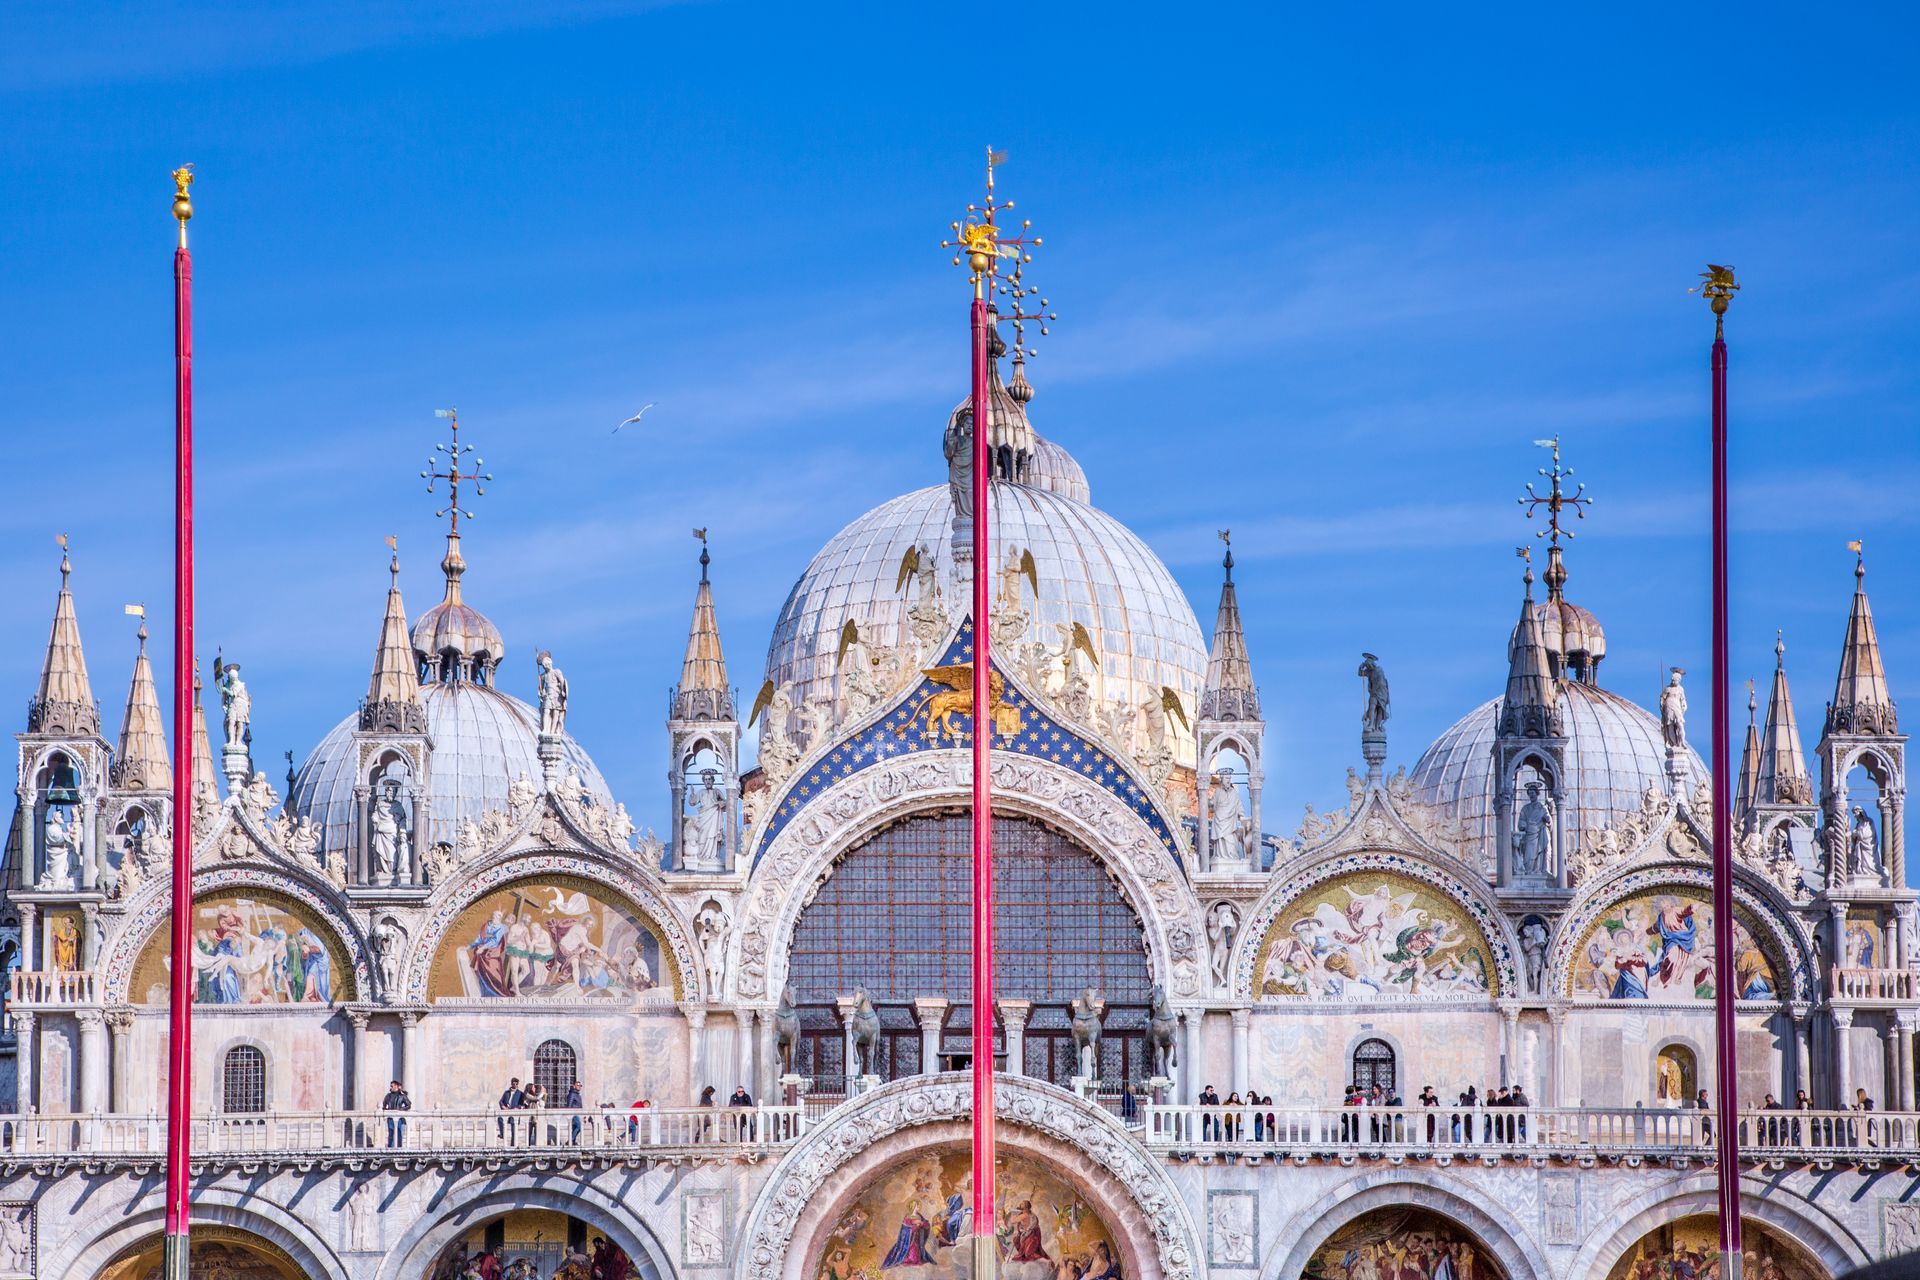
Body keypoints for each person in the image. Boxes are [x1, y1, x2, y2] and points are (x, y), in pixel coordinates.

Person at [382, 1079, 412, 1148]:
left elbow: (409, 1105)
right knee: (391, 1133)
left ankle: (399, 1148)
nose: (391, 1088)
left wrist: (400, 1110)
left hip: (399, 1118)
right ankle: (390, 1148)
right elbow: (383, 1105)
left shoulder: (402, 1096)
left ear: (397, 1086)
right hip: (390, 1118)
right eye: (390, 1086)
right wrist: (387, 1111)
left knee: (399, 1133)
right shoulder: (388, 1096)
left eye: (392, 1086)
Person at [497, 1076, 524, 1143]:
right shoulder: (506, 1092)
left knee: (514, 1129)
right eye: (513, 1083)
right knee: (500, 1118)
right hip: (506, 1110)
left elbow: (522, 1104)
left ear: (518, 1084)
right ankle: (502, 1134)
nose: (515, 1085)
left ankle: (513, 1144)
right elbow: (501, 1101)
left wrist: (517, 1107)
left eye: (516, 1084)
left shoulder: (520, 1093)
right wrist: (503, 1106)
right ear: (511, 1084)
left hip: (514, 1112)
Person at [566, 1079, 585, 1144]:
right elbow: (569, 1105)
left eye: (580, 1086)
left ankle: (572, 1141)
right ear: (574, 1086)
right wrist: (570, 1115)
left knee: (575, 1128)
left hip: (578, 1114)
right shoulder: (572, 1094)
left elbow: (580, 1106)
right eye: (577, 1085)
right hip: (573, 1114)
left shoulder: (578, 1095)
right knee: (579, 1127)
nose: (579, 1087)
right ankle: (571, 1140)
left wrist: (583, 1116)